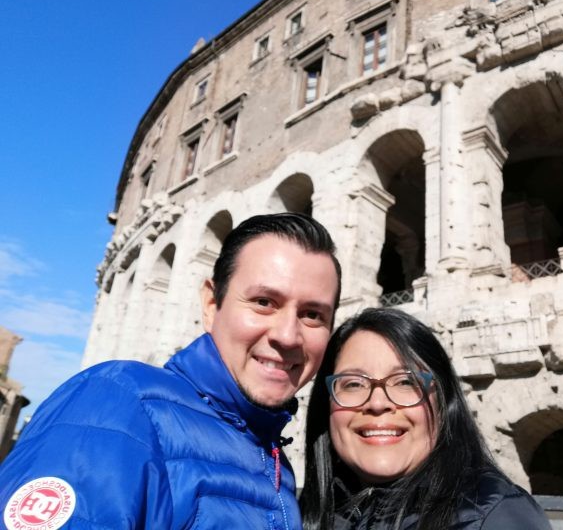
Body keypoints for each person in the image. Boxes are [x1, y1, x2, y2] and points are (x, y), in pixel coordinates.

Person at [0, 213, 341, 530]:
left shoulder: (275, 463)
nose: (287, 335)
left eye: (313, 314)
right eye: (264, 302)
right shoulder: (118, 403)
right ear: (211, 304)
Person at [300, 308, 552, 530]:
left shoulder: (497, 518)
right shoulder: (302, 514)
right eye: (353, 384)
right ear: (326, 403)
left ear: (444, 402)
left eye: (406, 381)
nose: (377, 403)